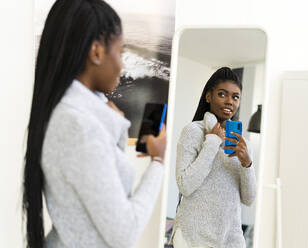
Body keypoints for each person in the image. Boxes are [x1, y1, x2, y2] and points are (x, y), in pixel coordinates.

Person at [22, 0, 166, 247]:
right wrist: (158, 162)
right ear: (96, 51)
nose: (122, 66)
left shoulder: (76, 116)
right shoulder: (78, 125)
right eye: (120, 53)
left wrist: (113, 126)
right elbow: (124, 232)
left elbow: (97, 194)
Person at [172, 67, 256, 248]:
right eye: (222, 94)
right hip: (193, 238)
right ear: (208, 96)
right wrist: (212, 142)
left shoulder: (241, 143)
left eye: (235, 97)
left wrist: (247, 163)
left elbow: (249, 199)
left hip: (230, 239)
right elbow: (185, 186)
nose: (229, 102)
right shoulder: (193, 131)